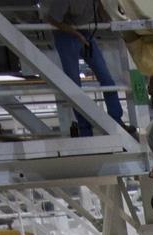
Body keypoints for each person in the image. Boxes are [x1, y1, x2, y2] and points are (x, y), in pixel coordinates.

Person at [39, 1, 125, 137]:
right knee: (74, 84)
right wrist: (77, 34)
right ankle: (85, 128)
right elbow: (52, 19)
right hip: (65, 35)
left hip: (85, 31)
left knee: (106, 78)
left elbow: (100, 7)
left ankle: (116, 120)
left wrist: (108, 19)